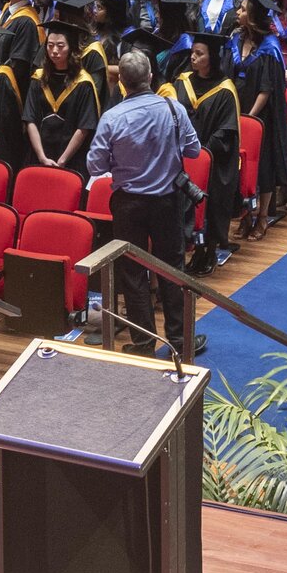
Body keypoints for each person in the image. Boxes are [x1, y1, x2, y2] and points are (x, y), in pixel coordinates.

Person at [90, 48, 203, 354]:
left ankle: (143, 343)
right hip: (167, 202)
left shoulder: (112, 118)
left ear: (122, 83)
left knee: (133, 273)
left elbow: (95, 166)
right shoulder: (173, 108)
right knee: (172, 269)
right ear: (151, 77)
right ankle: (180, 341)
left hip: (129, 205)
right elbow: (194, 151)